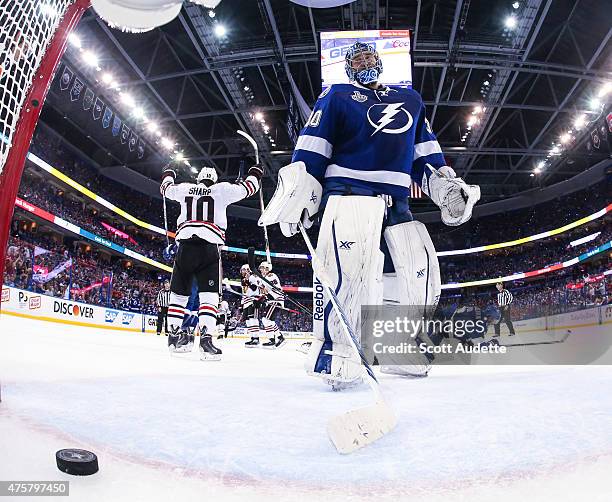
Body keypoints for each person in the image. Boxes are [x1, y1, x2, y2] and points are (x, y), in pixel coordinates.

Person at [259, 41, 480, 389]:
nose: (364, 62)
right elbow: (313, 146)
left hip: (397, 202)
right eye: (356, 58)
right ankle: (338, 351)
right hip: (349, 195)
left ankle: (400, 348)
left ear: (379, 61)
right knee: (351, 274)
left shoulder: (411, 101)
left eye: (368, 56)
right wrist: (301, 193)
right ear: (348, 67)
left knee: (416, 274)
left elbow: (425, 154)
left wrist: (444, 187)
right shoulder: (336, 96)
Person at [161, 161, 263, 360]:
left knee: (178, 296)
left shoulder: (185, 189)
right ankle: (206, 341)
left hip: (185, 247)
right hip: (209, 248)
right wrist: (256, 172)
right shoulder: (222, 190)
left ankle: (173, 338)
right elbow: (249, 188)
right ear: (214, 179)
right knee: (208, 298)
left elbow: (165, 189)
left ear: (198, 179)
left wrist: (168, 173)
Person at [258, 260, 286, 349]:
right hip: (272, 300)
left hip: (276, 300)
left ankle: (280, 337)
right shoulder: (264, 278)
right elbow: (265, 291)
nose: (261, 270)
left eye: (263, 268)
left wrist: (266, 296)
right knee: (266, 321)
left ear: (267, 269)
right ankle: (272, 340)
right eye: (261, 268)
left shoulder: (271, 276)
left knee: (266, 320)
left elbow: (275, 289)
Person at [240, 264, 263, 348]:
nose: (242, 271)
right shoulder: (244, 279)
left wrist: (247, 281)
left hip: (253, 301)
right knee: (248, 321)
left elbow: (254, 288)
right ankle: (253, 337)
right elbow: (244, 293)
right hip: (246, 302)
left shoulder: (253, 277)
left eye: (243, 270)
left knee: (253, 319)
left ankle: (256, 339)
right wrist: (241, 305)